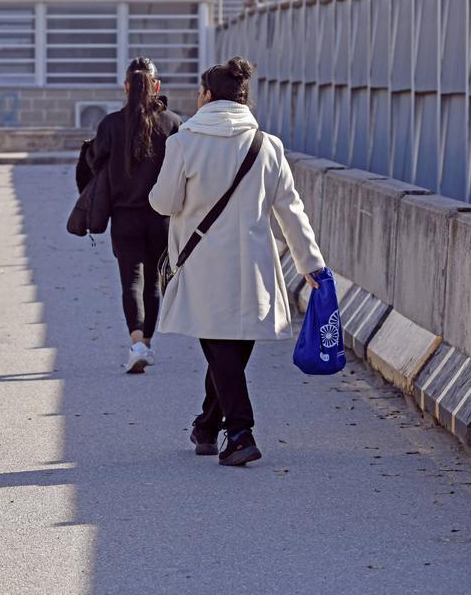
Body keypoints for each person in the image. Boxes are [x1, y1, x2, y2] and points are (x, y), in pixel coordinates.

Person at [149, 57, 325, 467]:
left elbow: (163, 202)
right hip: (254, 271)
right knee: (230, 351)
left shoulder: (184, 142)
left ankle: (241, 430)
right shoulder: (268, 145)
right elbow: (290, 212)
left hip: (202, 269)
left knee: (219, 350)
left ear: (207, 96)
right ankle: (208, 427)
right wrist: (310, 264)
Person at [92, 58, 181, 374]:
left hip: (124, 217)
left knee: (130, 280)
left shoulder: (111, 125)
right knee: (153, 285)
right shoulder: (172, 123)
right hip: (161, 218)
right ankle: (148, 341)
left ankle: (137, 344)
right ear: (157, 87)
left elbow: (95, 164)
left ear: (127, 87)